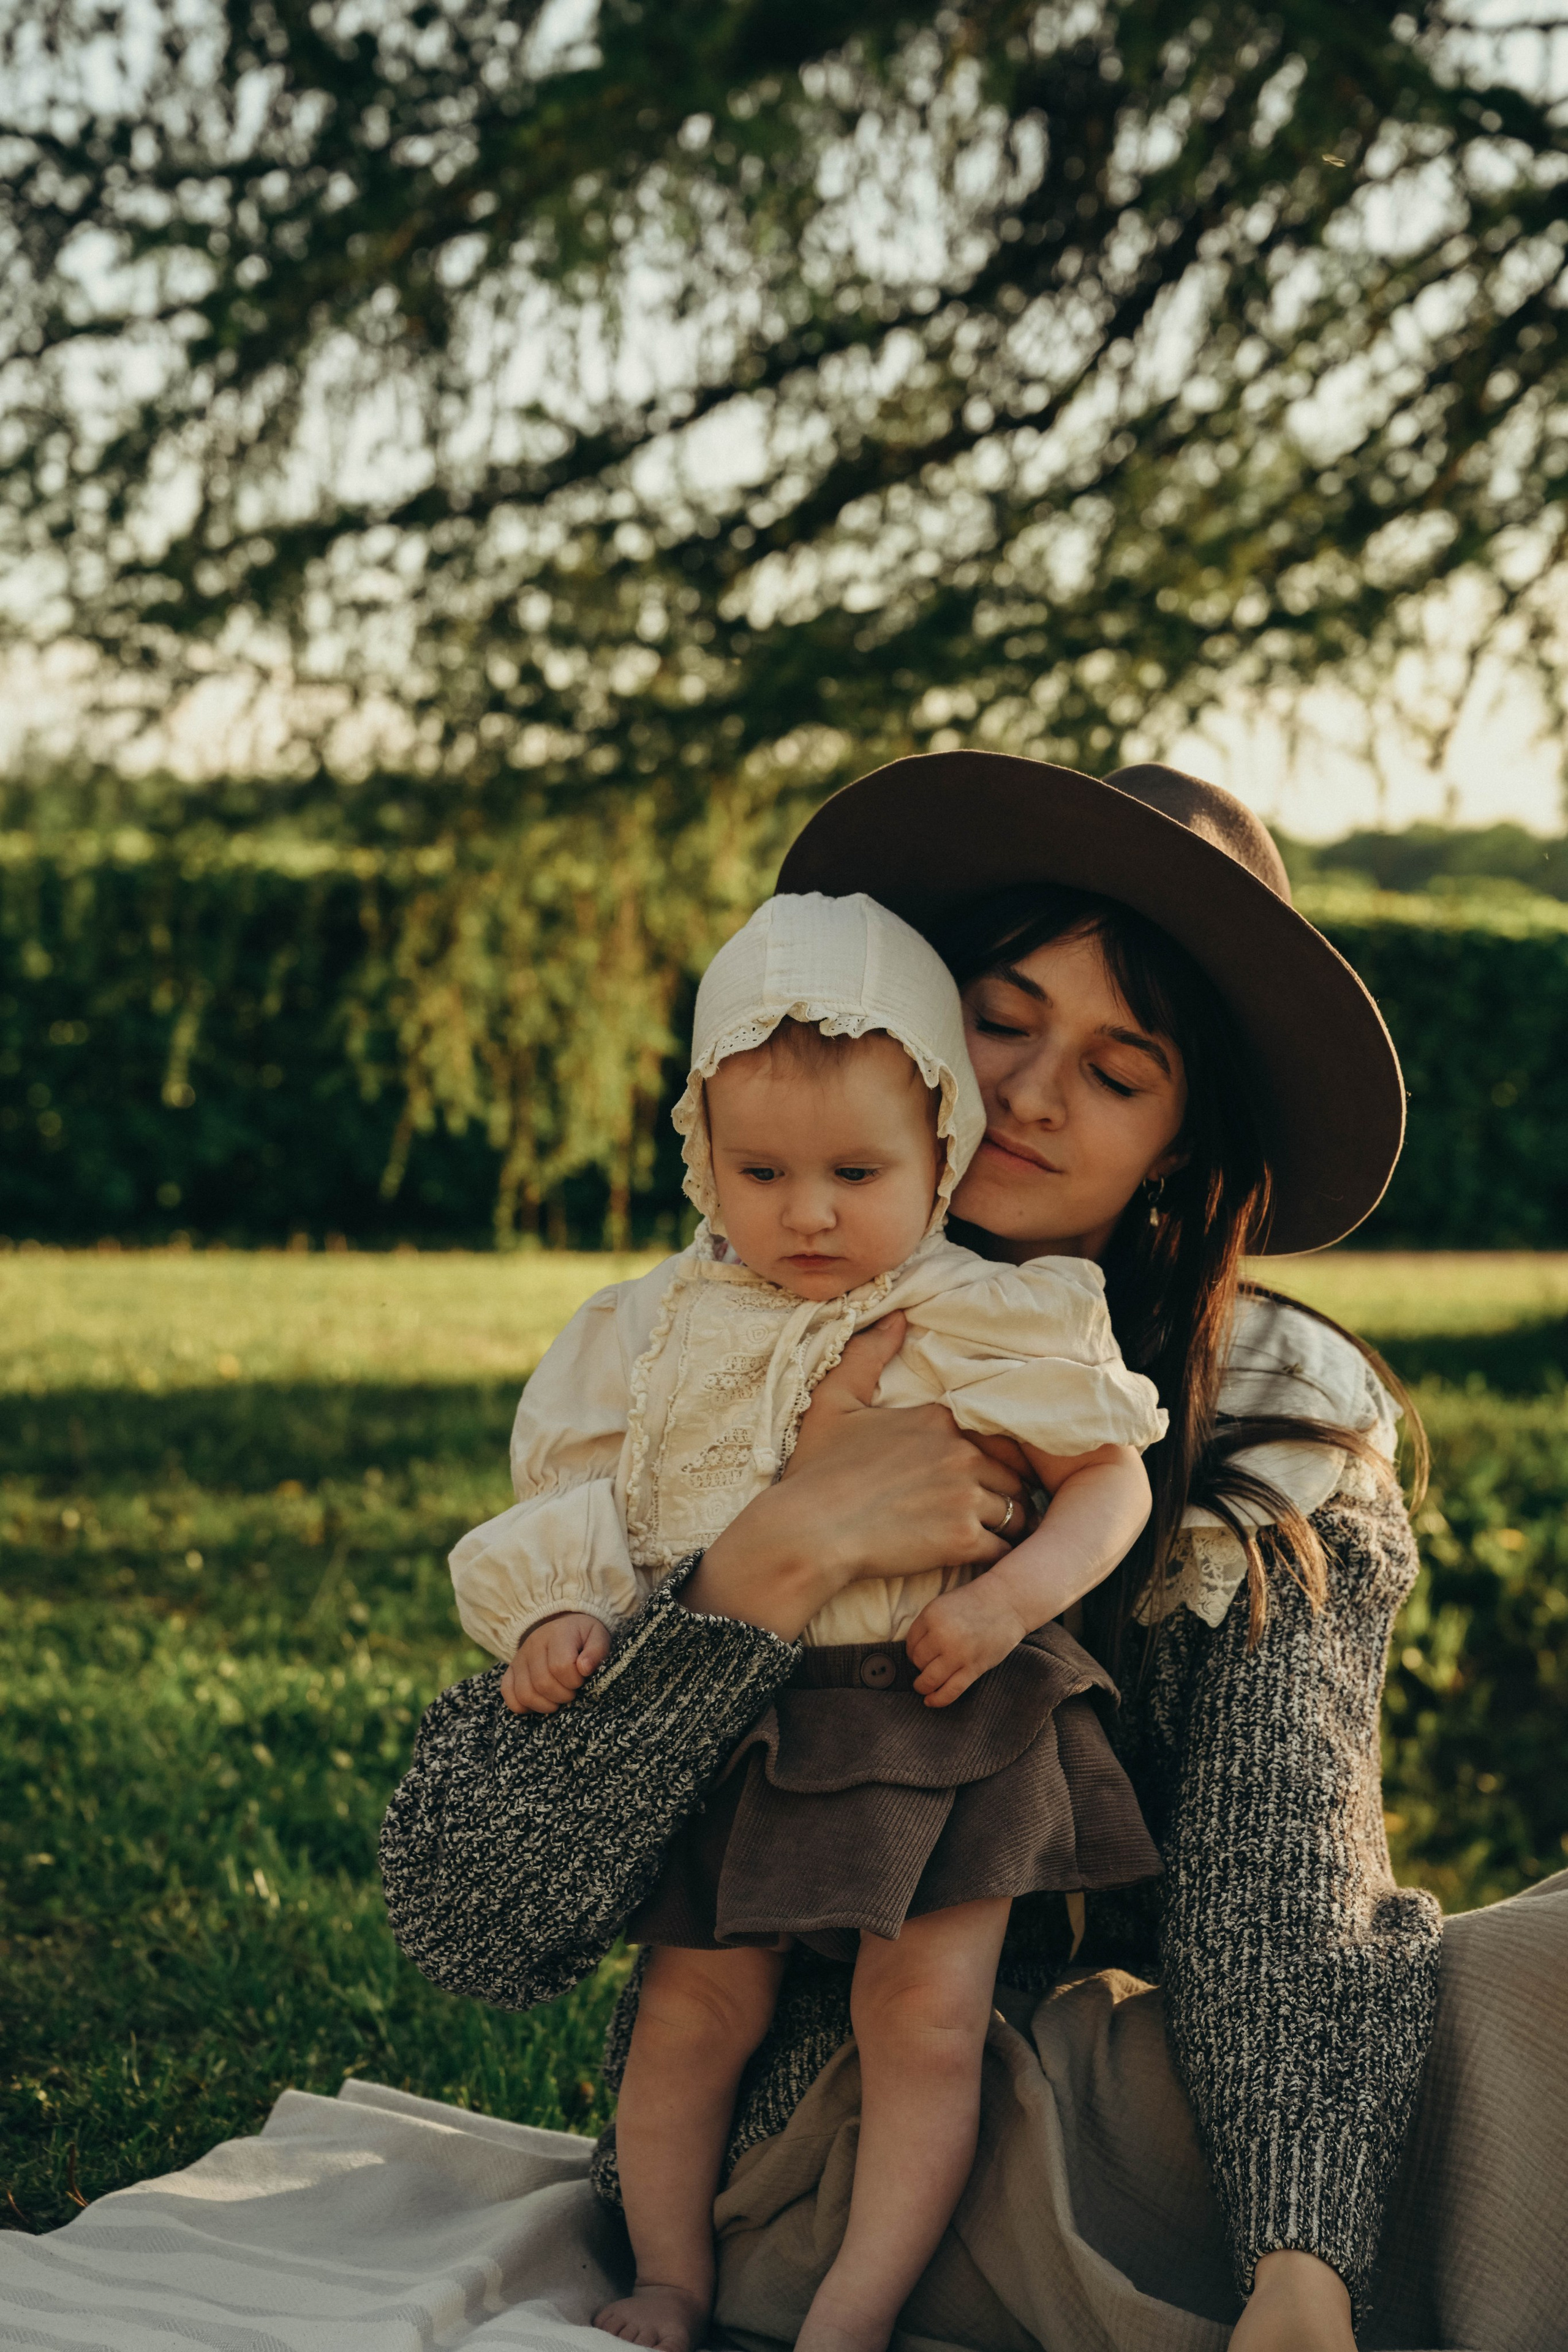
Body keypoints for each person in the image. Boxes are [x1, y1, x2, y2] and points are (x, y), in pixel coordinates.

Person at [383, 754, 1443, 2352]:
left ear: (1178, 1136)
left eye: (1119, 1066)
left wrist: (1303, 2254)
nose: (1027, 1094)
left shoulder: (1276, 1415)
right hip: (813, 2123)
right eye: (1004, 1020)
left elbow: (1279, 1859)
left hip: (1173, 2083)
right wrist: (773, 1558)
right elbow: (472, 1912)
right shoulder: (703, 1350)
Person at [448, 889, 1168, 2352]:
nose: (811, 1210)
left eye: (856, 1169)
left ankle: (851, 2316)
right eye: (760, 1170)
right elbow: (585, 1507)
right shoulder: (646, 1332)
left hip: (934, 1699)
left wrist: (1013, 1600)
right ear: (701, 1159)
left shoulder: (981, 1310)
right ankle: (667, 2279)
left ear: (937, 1151)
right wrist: (561, 1622)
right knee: (688, 2015)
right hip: (732, 1706)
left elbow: (1109, 1480)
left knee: (923, 2021)